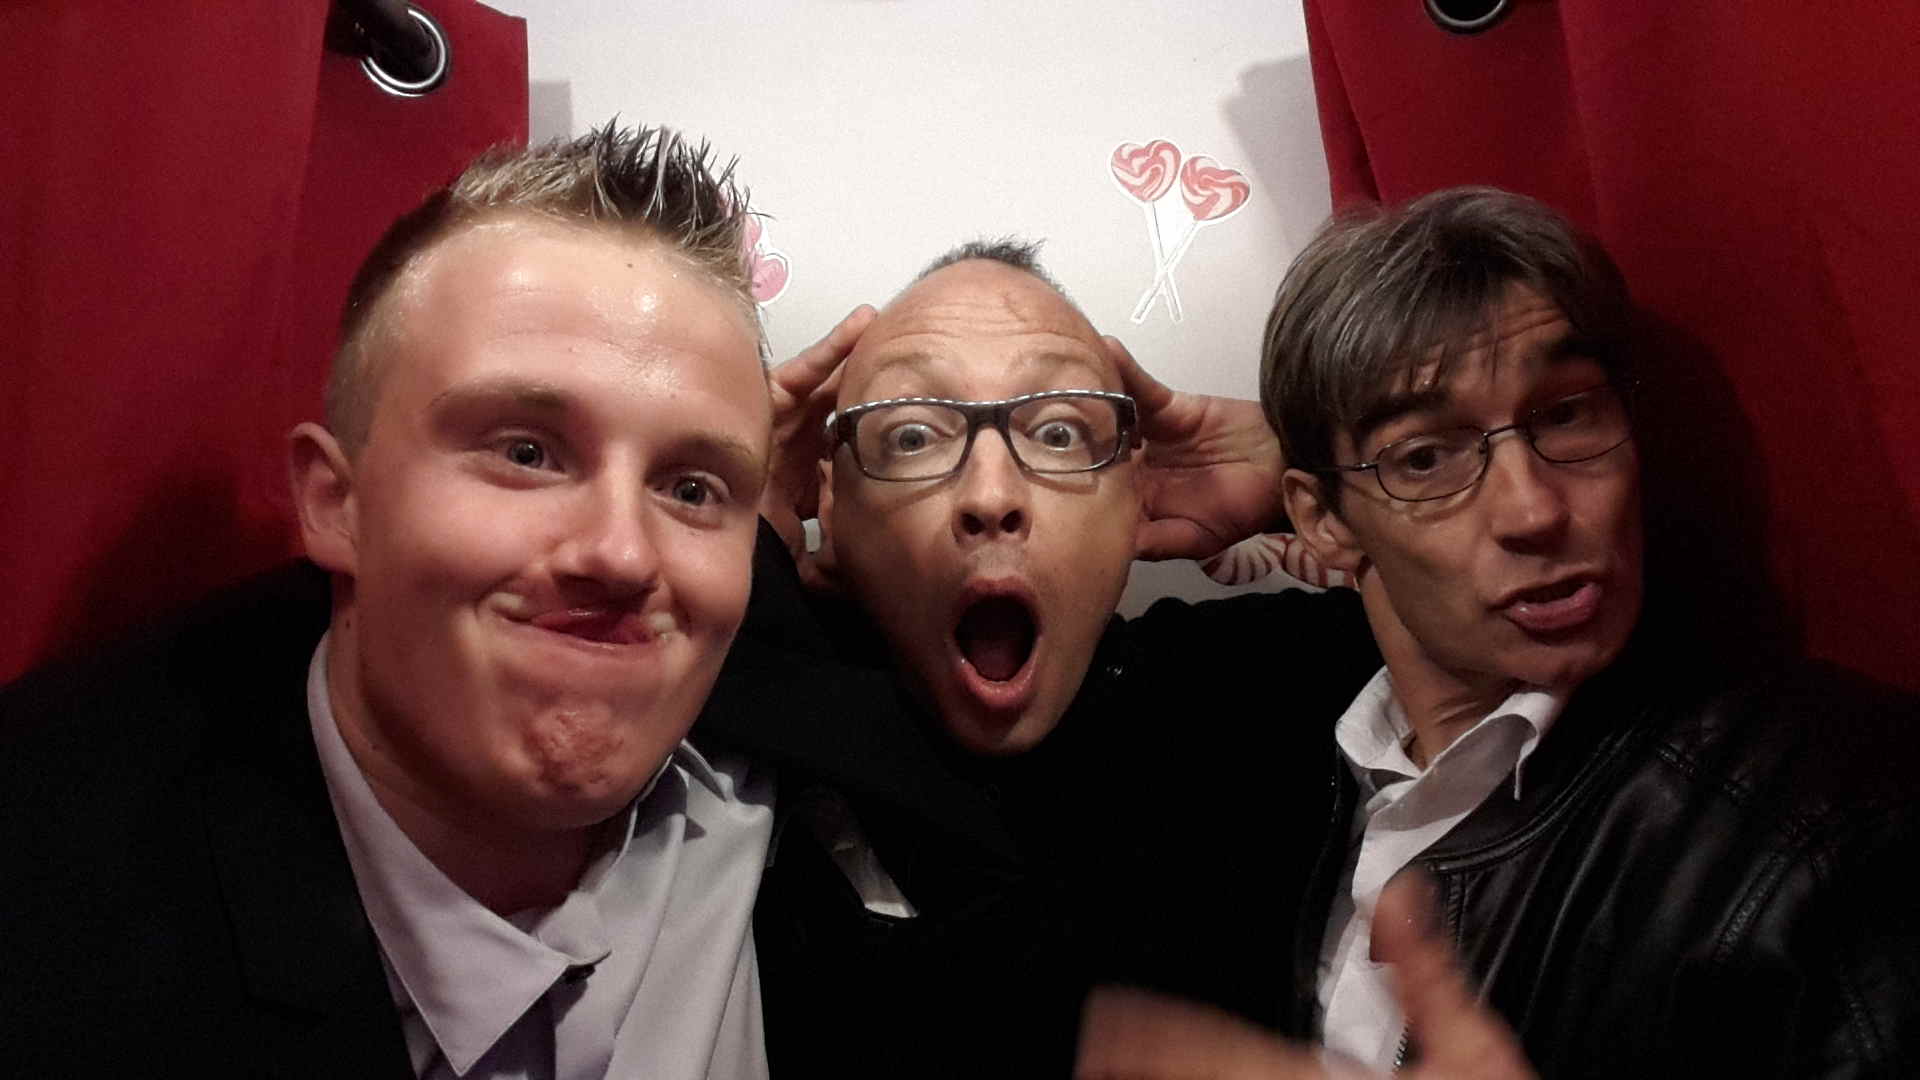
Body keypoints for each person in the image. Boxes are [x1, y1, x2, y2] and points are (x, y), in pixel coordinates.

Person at [0, 122, 891, 1079]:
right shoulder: (55, 914)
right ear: (336, 503)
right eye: (526, 453)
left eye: (689, 487)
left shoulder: (795, 784)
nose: (624, 554)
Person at [750, 240, 1505, 1077]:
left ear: (1137, 490)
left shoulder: (1250, 697)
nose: (991, 496)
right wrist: (736, 511)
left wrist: (1295, 463)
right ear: (829, 498)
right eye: (912, 436)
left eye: (1059, 432)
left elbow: (1524, 608)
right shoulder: (738, 718)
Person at [1257, 187, 1920, 1075]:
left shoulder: (1841, 814)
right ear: (1321, 519)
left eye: (1567, 414)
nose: (1534, 510)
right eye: (1426, 457)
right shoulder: (1265, 751)